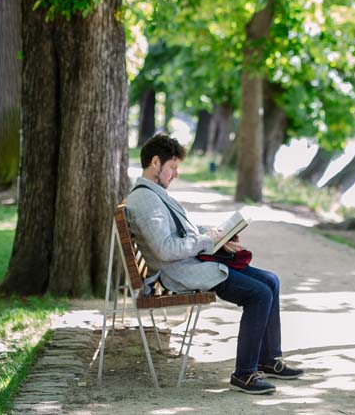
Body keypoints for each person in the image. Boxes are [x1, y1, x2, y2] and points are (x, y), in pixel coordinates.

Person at [125, 133, 304, 395]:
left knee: (271, 281)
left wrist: (217, 237)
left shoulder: (154, 194)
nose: (175, 174)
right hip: (182, 272)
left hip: (192, 262)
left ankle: (268, 360)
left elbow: (181, 232)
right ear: (155, 162)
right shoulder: (145, 200)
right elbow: (165, 249)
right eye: (173, 167)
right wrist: (207, 241)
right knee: (259, 294)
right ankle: (244, 374)